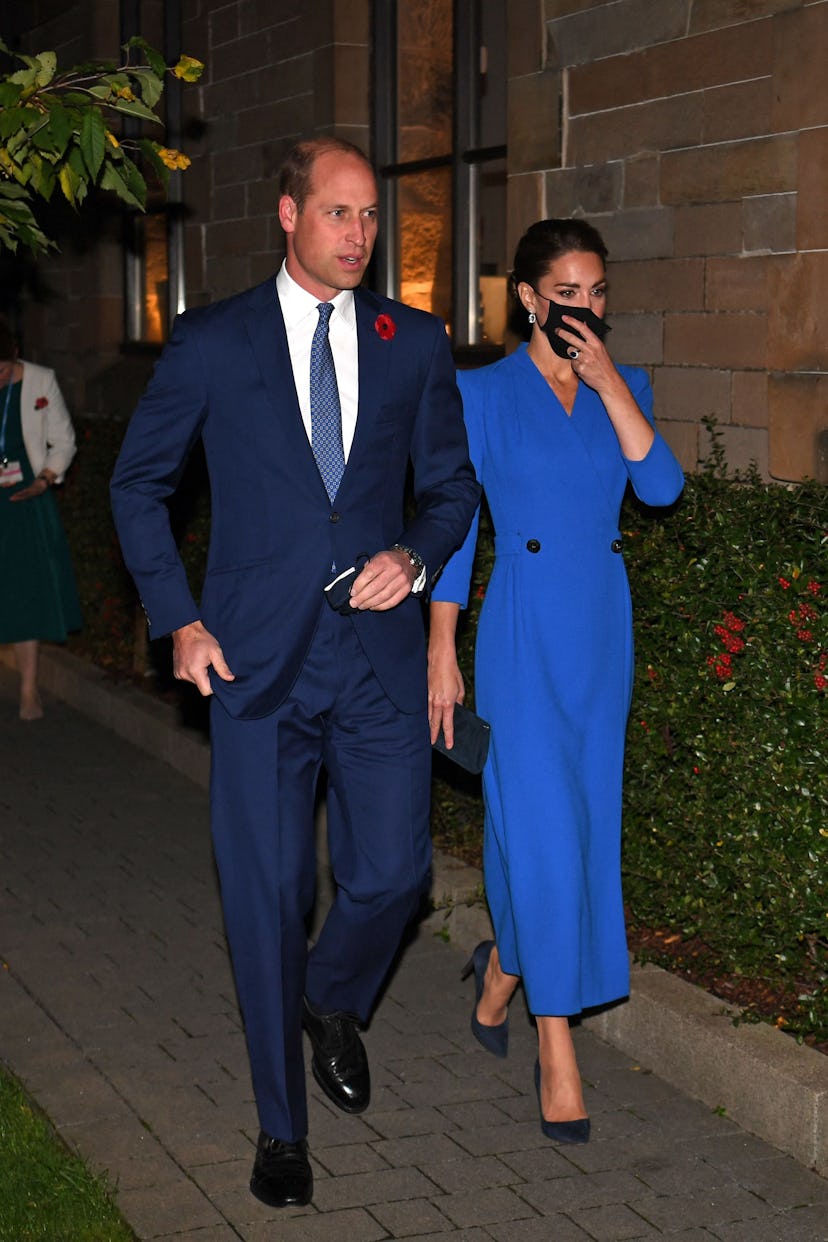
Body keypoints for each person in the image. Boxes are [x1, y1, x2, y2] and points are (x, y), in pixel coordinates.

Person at [110, 137, 479, 1208]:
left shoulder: (413, 342)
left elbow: (451, 489)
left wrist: (412, 557)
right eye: (340, 214)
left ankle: (326, 996)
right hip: (251, 667)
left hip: (374, 663)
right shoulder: (214, 342)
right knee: (267, 898)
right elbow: (138, 488)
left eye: (371, 217)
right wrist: (176, 620)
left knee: (394, 878)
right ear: (288, 214)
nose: (361, 235)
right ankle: (282, 1129)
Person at [427, 218, 684, 1143]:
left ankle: (502, 969)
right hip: (523, 630)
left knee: (572, 825)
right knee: (536, 824)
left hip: (600, 630)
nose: (587, 308)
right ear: (530, 299)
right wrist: (439, 649)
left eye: (599, 292)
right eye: (568, 293)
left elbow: (661, 489)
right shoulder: (480, 393)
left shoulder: (630, 387)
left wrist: (613, 383)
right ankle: (558, 1048)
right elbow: (453, 531)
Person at [0, 319, 82, 720]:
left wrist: (46, 479)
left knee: (24, 594)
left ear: (13, 356)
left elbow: (64, 439)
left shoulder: (40, 381)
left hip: (25, 500)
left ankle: (29, 690)